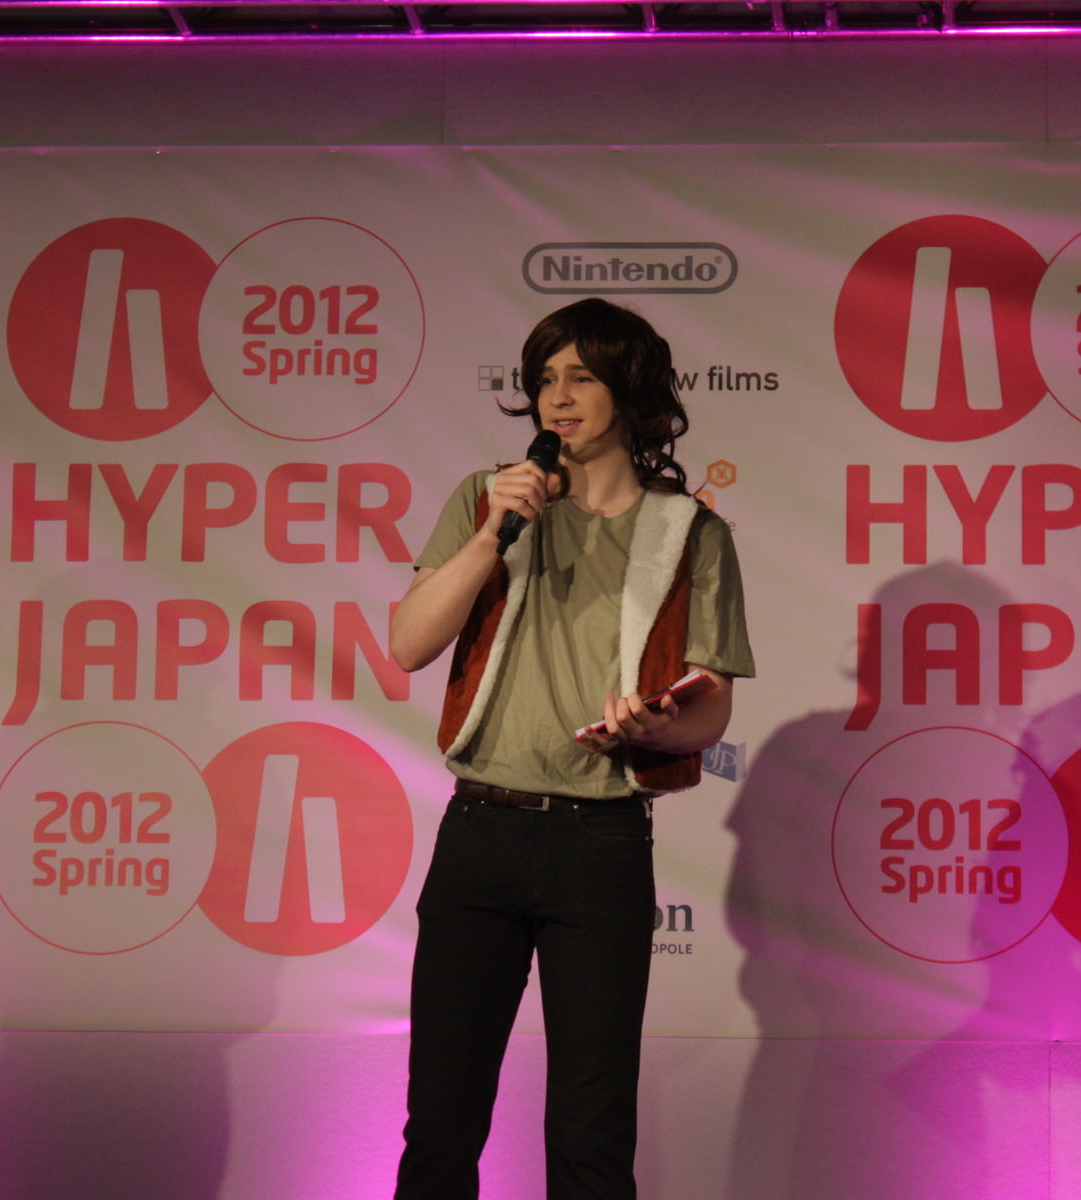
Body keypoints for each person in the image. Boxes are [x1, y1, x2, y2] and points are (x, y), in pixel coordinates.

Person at [390, 298, 755, 1200]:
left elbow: (711, 707)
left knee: (592, 1136)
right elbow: (408, 643)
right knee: (440, 1123)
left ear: (629, 388)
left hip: (600, 844)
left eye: (581, 377)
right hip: (480, 831)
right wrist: (492, 534)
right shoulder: (490, 498)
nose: (557, 398)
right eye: (545, 379)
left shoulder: (691, 532)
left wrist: (659, 728)